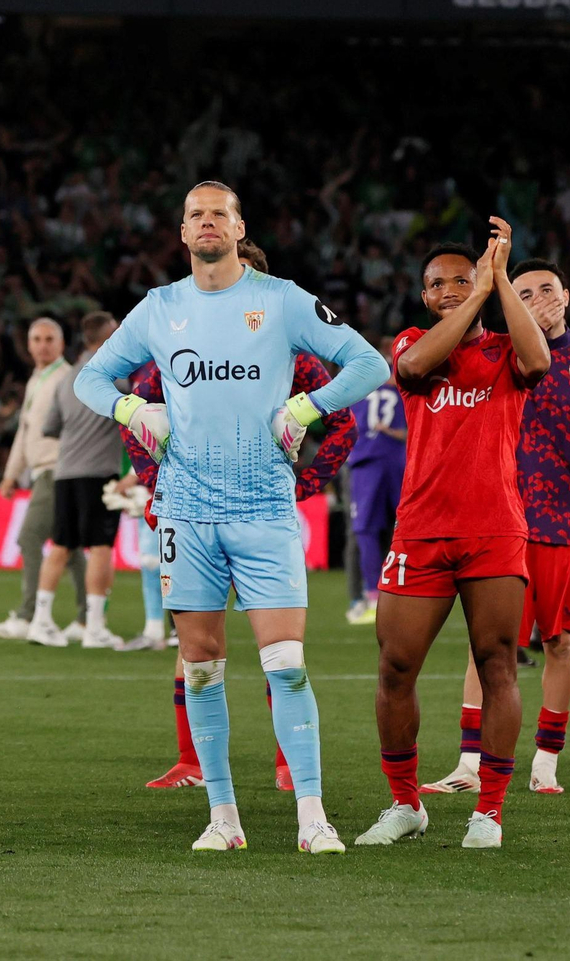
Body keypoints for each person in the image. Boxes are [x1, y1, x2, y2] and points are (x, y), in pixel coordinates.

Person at [75, 182, 387, 854]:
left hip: (265, 509)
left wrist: (307, 408)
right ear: (182, 234)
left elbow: (370, 362)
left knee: (287, 662)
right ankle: (224, 818)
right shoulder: (159, 308)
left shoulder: (280, 300)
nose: (207, 222)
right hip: (186, 514)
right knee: (202, 665)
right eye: (196, 214)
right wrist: (134, 409)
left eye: (220, 212)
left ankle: (312, 816)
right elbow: (90, 380)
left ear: (239, 228)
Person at [126, 237, 357, 793]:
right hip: (192, 514)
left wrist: (300, 486)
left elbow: (343, 425)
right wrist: (159, 490)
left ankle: (287, 764)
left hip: (260, 514)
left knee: (277, 648)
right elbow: (135, 414)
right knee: (194, 649)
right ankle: (191, 762)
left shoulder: (291, 353)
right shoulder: (178, 348)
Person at [355, 220, 551, 851]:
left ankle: (488, 813)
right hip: (421, 533)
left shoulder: (504, 350)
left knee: (499, 668)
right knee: (395, 667)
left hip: (495, 530)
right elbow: (413, 365)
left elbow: (540, 359)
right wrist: (478, 291)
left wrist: (499, 286)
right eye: (436, 284)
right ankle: (405, 803)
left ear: (484, 282)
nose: (446, 290)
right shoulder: (414, 342)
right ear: (424, 296)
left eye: (460, 280)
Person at [421, 259, 570, 796]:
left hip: (565, 527)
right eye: (524, 292)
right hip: (498, 522)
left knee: (560, 642)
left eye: (547, 290)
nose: (538, 300)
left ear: (567, 296)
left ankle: (546, 762)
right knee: (485, 645)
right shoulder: (500, 358)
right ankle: (468, 764)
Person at [27, 311, 136, 650]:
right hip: (98, 474)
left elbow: (50, 428)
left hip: (65, 473)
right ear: (107, 337)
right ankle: (94, 626)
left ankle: (41, 621)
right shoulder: (115, 380)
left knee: (60, 546)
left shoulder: (67, 379)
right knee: (100, 548)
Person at [0, 319, 88, 642]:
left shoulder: (66, 378)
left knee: (30, 539)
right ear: (28, 345)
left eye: (49, 339)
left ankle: (28, 615)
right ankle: (88, 617)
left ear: (61, 344)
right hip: (46, 471)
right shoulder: (37, 379)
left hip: (57, 470)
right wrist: (11, 475)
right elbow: (25, 431)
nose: (43, 345)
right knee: (68, 547)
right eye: (37, 339)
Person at [345, 335, 406, 626]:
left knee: (364, 533)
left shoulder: (360, 385)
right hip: (400, 462)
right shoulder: (408, 384)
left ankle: (370, 598)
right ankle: (408, 595)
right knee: (406, 530)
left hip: (367, 462)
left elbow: (343, 425)